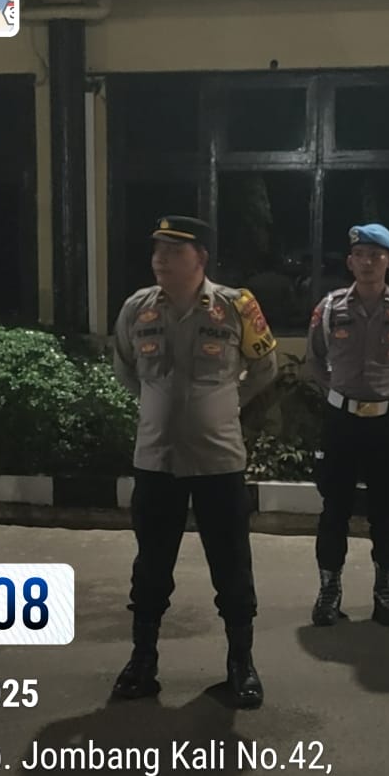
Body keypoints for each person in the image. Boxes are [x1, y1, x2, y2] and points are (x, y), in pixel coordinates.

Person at [112, 215, 279, 707]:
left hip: (218, 461)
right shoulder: (136, 308)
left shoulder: (236, 307)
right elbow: (125, 368)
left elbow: (264, 366)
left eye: (173, 251)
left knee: (231, 565)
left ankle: (241, 663)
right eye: (157, 250)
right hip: (156, 460)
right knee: (150, 567)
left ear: (200, 258)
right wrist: (159, 408)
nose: (160, 259)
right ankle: (142, 660)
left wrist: (224, 404)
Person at [306, 223, 389, 628]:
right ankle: (329, 591)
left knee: (387, 510)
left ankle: (385, 592)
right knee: (334, 508)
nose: (367, 263)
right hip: (341, 423)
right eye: (360, 255)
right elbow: (314, 359)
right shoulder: (330, 308)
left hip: (385, 425)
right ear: (350, 262)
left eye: (375, 256)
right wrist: (338, 392)